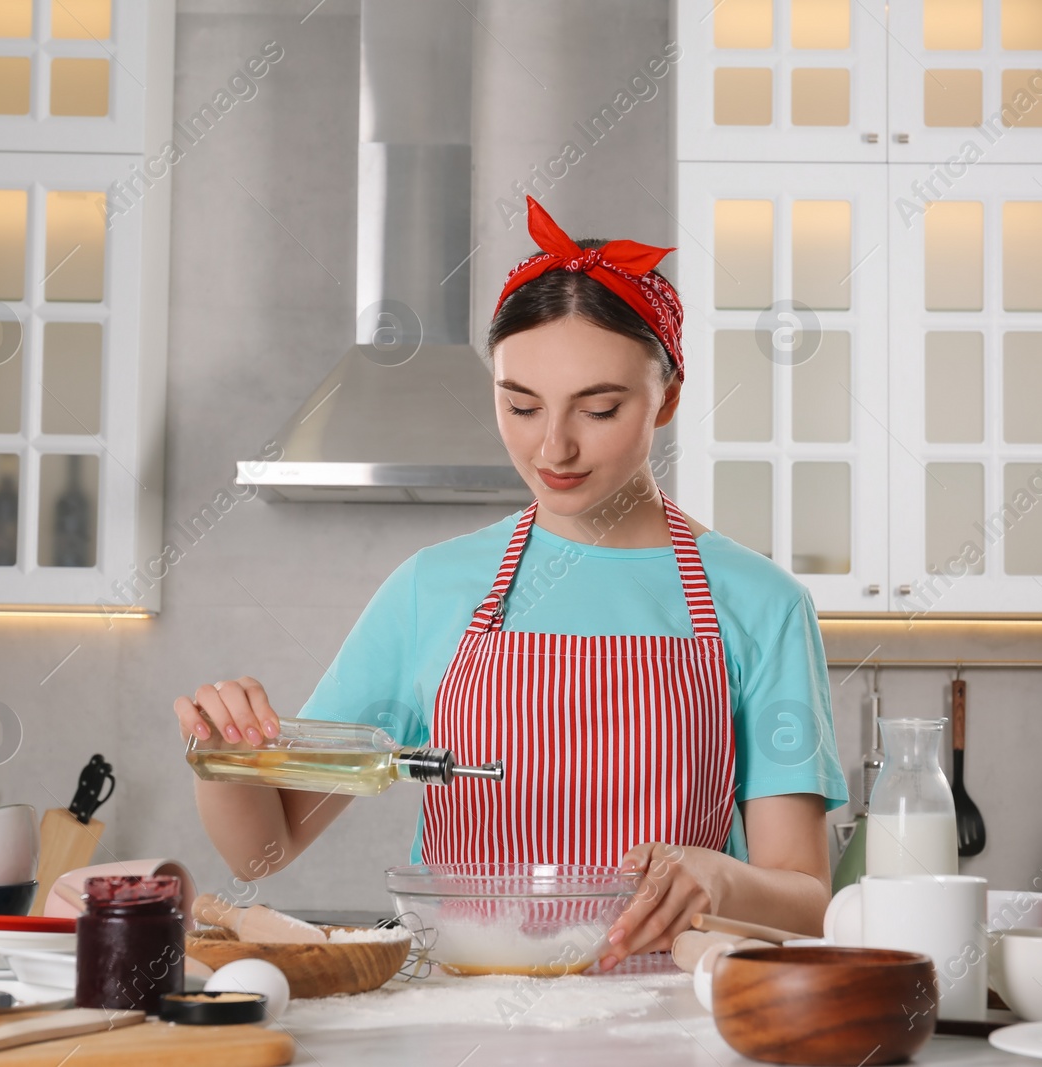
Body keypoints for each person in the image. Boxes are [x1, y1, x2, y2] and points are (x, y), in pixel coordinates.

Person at [173, 197, 848, 970]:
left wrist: (721, 876)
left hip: (668, 1025)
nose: (553, 445)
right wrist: (220, 753)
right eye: (519, 404)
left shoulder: (760, 602)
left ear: (667, 397)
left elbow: (806, 898)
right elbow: (266, 847)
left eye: (599, 407)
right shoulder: (431, 588)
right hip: (463, 1023)